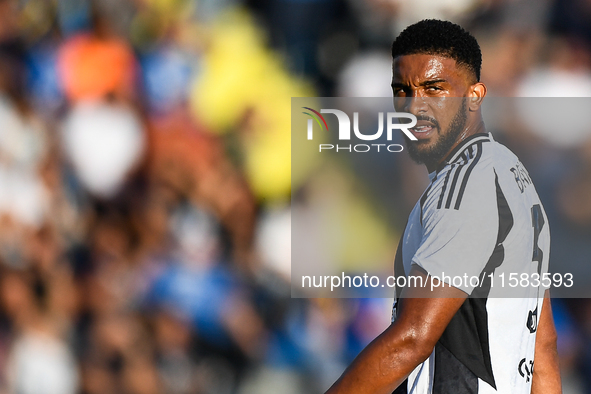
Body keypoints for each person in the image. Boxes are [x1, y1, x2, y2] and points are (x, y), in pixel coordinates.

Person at [325, 19, 561, 394]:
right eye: (402, 90)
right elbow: (542, 348)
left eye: (434, 89)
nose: (414, 106)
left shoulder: (467, 188)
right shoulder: (513, 178)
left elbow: (412, 339)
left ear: (474, 95)